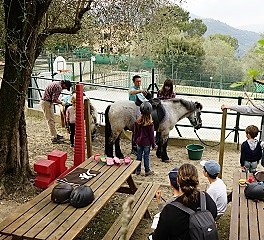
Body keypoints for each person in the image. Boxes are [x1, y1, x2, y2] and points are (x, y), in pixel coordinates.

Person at [152, 163, 217, 240]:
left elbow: (159, 237)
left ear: (177, 181)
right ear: (197, 180)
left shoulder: (170, 210)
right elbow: (214, 215)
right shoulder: (205, 197)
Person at [133, 102, 155, 176]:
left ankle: (138, 170)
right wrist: (153, 144)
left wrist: (135, 141)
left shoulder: (137, 122)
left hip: (139, 142)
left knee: (138, 156)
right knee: (146, 157)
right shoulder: (150, 124)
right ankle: (147, 170)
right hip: (147, 143)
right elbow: (151, 136)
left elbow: (135, 133)